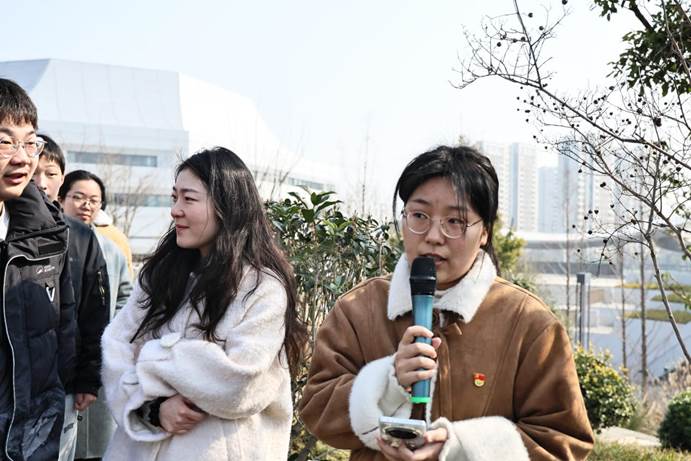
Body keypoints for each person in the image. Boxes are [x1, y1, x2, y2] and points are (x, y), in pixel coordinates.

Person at [299, 145, 594, 460]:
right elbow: (317, 410)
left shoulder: (529, 322)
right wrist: (385, 383)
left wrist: (460, 447)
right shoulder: (359, 309)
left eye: (455, 221)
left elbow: (563, 441)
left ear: (485, 232)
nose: (433, 235)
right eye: (419, 216)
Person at [101, 147, 307, 460]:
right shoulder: (158, 275)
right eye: (174, 197)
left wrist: (155, 354)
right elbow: (117, 347)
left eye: (189, 199)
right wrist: (153, 408)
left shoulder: (262, 288)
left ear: (226, 206)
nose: (175, 210)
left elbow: (238, 383)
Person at [0, 78, 77, 460]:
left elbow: (64, 325)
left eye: (30, 143)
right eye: (5, 142)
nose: (22, 158)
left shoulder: (47, 232)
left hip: (30, 437)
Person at [33, 134, 111, 461]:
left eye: (50, 173)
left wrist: (88, 378)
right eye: (34, 171)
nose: (41, 182)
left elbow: (96, 312)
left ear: (61, 179)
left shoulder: (81, 237)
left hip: (62, 381)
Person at [58, 170, 133, 459]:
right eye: (78, 197)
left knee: (94, 442)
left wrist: (111, 327)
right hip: (61, 358)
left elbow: (127, 297)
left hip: (98, 353)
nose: (86, 205)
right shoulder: (47, 242)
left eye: (94, 200)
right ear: (61, 198)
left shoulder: (112, 249)